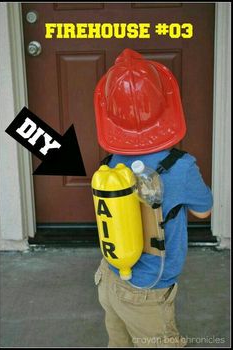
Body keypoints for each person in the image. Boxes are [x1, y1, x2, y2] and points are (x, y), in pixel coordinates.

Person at [93, 48, 213, 348]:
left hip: (109, 278)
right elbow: (203, 211)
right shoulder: (181, 166)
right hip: (147, 290)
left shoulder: (110, 164)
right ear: (168, 107)